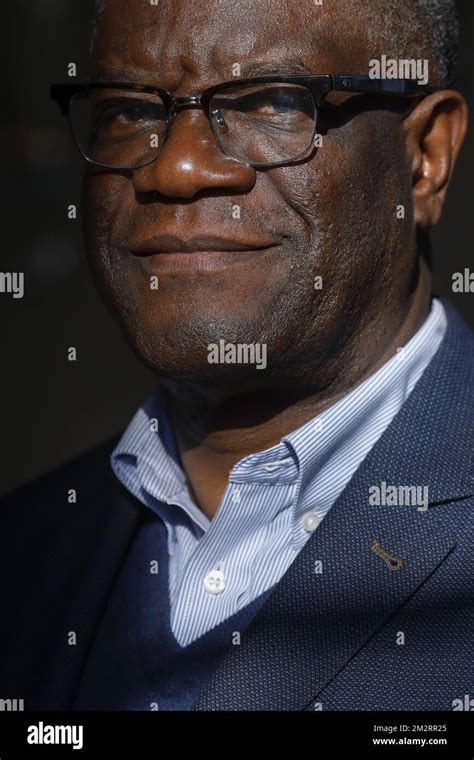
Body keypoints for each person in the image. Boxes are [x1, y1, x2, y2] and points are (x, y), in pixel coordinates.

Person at [0, 0, 471, 711]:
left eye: (272, 102)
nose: (179, 167)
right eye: (130, 111)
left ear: (425, 159)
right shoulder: (24, 551)